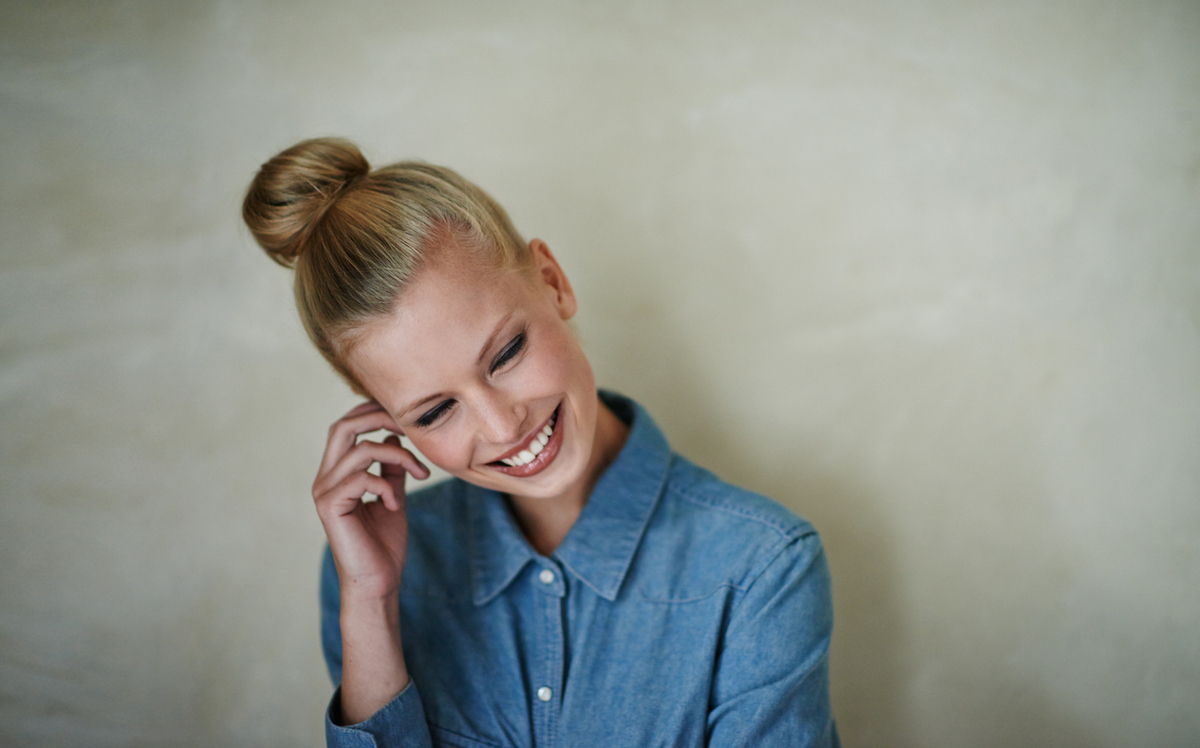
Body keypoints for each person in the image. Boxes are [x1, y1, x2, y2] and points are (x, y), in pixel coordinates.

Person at [242, 137, 840, 748]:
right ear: (384, 418)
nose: (503, 428)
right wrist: (370, 604)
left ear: (552, 282)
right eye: (436, 411)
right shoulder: (374, 576)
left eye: (506, 353)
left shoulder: (762, 570)